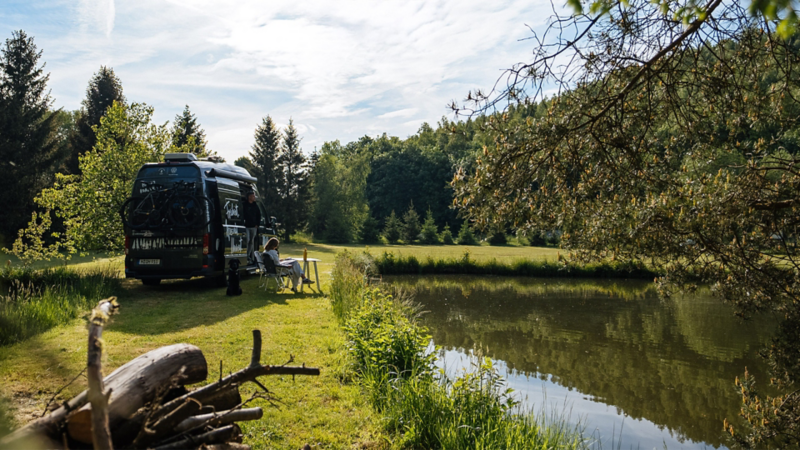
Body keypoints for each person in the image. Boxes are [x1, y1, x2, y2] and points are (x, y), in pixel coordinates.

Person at [243, 191, 261, 264]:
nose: (254, 197)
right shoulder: (244, 205)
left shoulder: (255, 206)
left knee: (251, 241)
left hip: (253, 226)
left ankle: (248, 255)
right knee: (247, 240)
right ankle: (246, 255)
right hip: (246, 226)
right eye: (253, 196)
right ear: (249, 197)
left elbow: (259, 215)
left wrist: (257, 224)